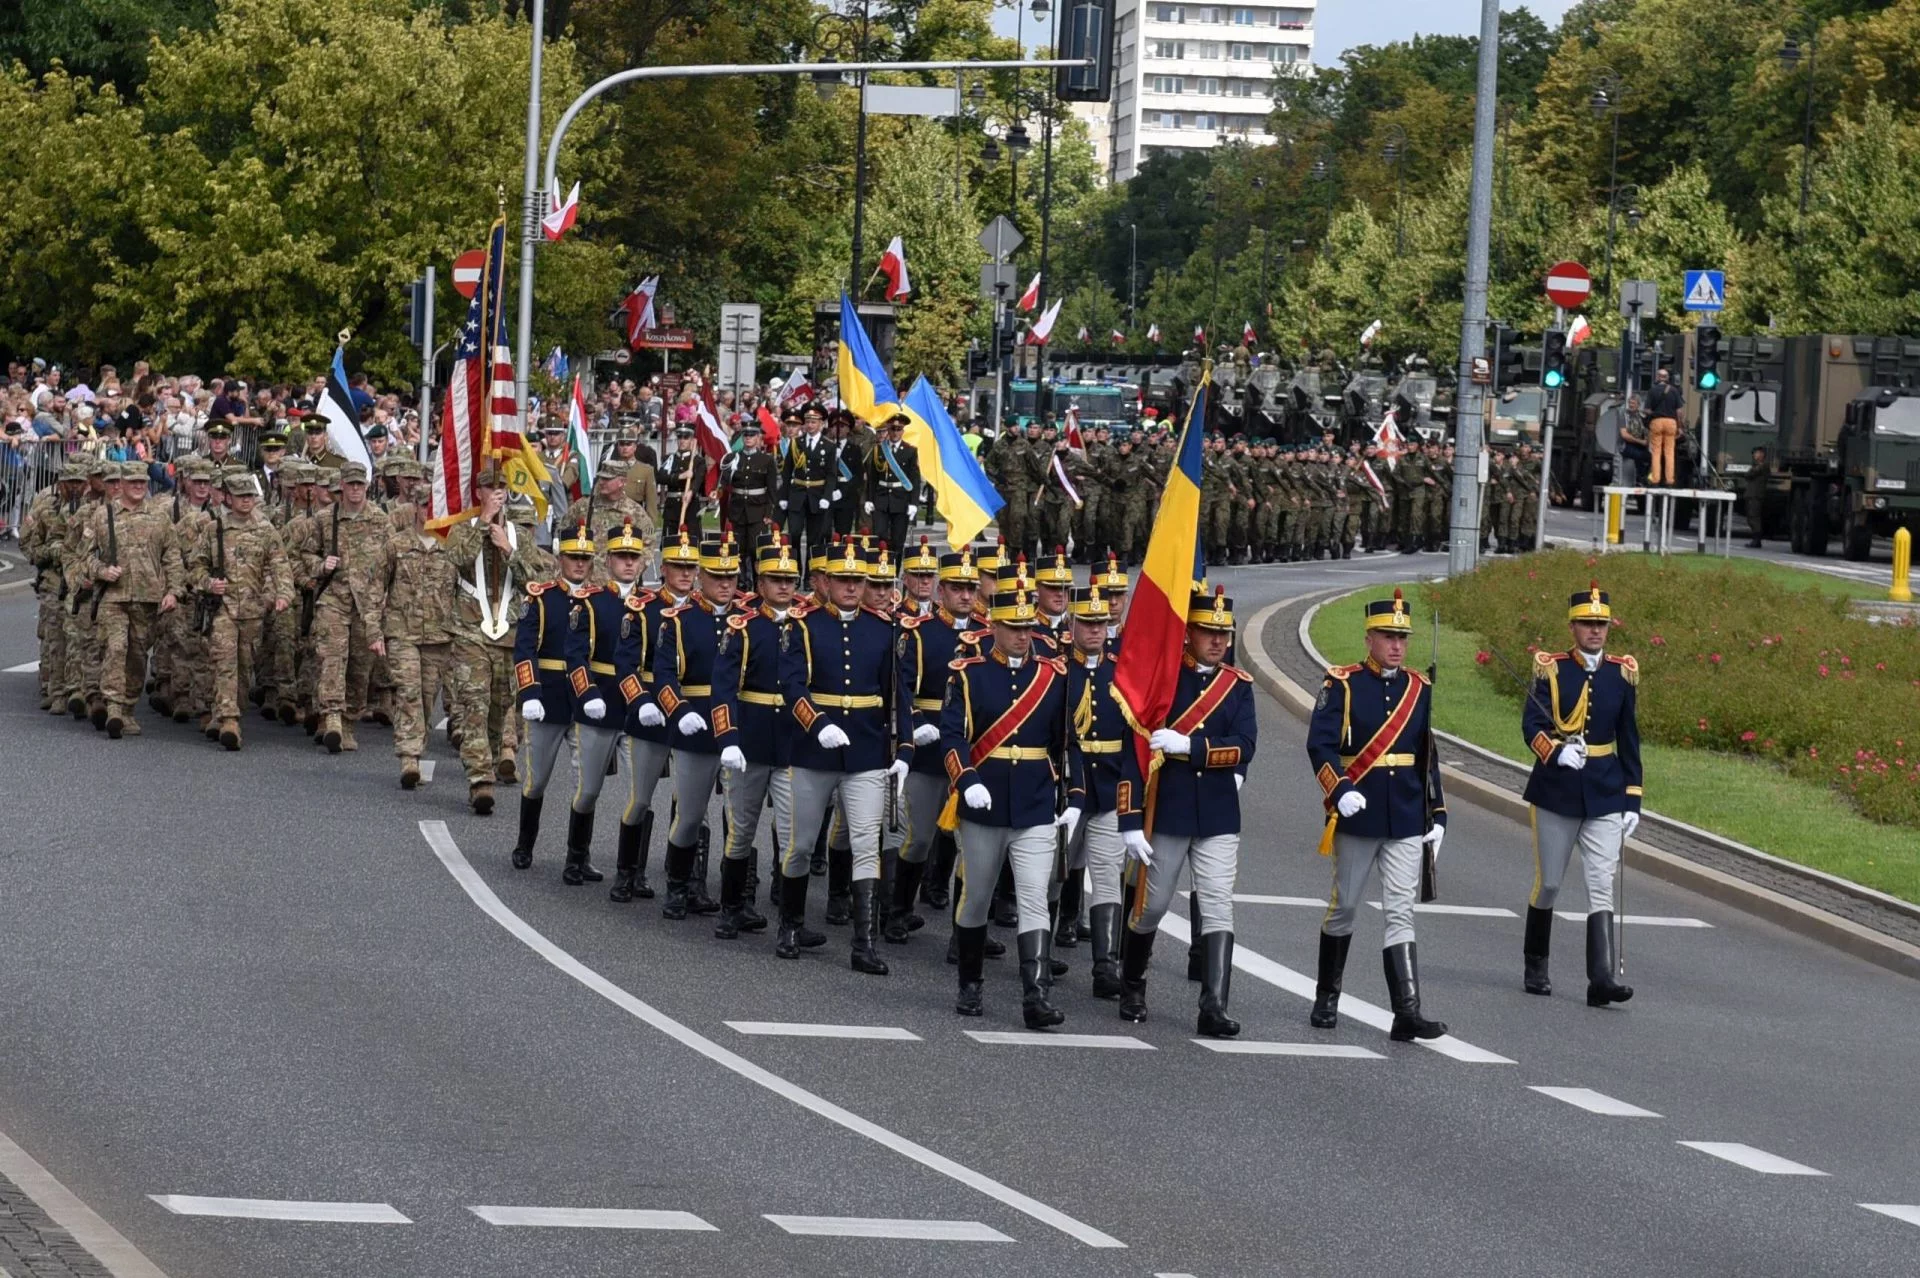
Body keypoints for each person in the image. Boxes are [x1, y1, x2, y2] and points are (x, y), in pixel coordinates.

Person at [1304, 589, 1448, 1041]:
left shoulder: (1419, 689)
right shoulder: (1341, 684)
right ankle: (1327, 996)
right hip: (1359, 812)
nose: (1397, 645)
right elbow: (1320, 744)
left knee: (1401, 911)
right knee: (1344, 906)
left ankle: (1407, 1012)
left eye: (1402, 637)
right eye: (1388, 636)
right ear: (1369, 638)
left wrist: (1437, 813)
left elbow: (1428, 755)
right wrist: (1339, 788)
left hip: (1404, 813)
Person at [1114, 587, 1255, 1037]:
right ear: (1187, 632)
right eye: (1207, 631)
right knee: (1151, 906)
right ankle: (1133, 984)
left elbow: (1244, 747)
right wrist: (1130, 819)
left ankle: (1213, 1006)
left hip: (1217, 814)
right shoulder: (1164, 681)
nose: (1217, 641)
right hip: (1167, 809)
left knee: (1217, 907)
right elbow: (1133, 753)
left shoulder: (1238, 688)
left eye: (1223, 633)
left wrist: (1191, 747)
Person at [940, 585, 1082, 1025]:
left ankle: (1035, 996)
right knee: (977, 898)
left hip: (1036, 803)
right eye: (1013, 627)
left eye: (1027, 627)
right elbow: (953, 736)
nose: (1023, 635)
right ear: (994, 627)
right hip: (985, 803)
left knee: (1035, 898)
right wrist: (965, 779)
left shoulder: (1055, 677)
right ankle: (970, 984)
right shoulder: (967, 675)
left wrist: (1075, 797)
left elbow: (1067, 743)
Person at [774, 540, 914, 974]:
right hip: (814, 749)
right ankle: (791, 925)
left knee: (865, 843)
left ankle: (864, 942)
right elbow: (791, 685)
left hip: (867, 749)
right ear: (827, 582)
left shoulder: (885, 628)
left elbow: (897, 694)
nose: (853, 587)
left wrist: (904, 747)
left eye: (859, 580)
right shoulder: (802, 625)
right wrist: (817, 723)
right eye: (844, 580)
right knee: (799, 845)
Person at [1520, 582, 1642, 1008]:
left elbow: (1629, 739)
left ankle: (1601, 979)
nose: (1595, 631)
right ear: (1572, 626)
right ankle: (1536, 962)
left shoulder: (1621, 673)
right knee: (1550, 883)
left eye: (1601, 625)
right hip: (1557, 792)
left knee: (1600, 884)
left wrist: (1633, 798)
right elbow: (1531, 727)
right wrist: (1555, 752)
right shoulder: (1550, 670)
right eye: (1587, 624)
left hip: (1606, 791)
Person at [885, 546, 983, 942]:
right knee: (921, 835)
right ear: (941, 591)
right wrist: (916, 725)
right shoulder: (920, 633)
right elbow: (902, 689)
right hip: (928, 750)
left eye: (970, 588)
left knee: (971, 844)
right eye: (956, 587)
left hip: (971, 751)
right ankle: (898, 910)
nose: (964, 595)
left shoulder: (987, 638)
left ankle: (965, 934)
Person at [713, 535, 804, 938]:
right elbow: (723, 688)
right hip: (749, 741)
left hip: (790, 745)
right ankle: (732, 908)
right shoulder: (743, 628)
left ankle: (790, 924)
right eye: (775, 579)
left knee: (792, 835)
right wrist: (728, 737)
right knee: (741, 831)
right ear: (760, 584)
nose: (784, 586)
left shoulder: (806, 627)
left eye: (790, 579)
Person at [652, 535, 741, 919]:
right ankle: (679, 885)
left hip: (740, 727)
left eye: (731, 577)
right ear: (702, 576)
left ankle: (739, 896)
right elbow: (664, 675)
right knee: (689, 814)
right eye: (717, 576)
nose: (725, 584)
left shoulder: (747, 622)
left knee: (740, 816)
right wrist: (679, 711)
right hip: (697, 724)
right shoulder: (679, 620)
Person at [566, 519, 652, 887]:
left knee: (641, 795)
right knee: (588, 790)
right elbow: (575, 654)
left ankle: (631, 871)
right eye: (621, 557)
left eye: (634, 557)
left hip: (639, 709)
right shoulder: (592, 602)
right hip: (600, 703)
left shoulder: (655, 606)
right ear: (609, 559)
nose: (628, 564)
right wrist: (587, 694)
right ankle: (576, 856)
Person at [507, 523, 596, 870]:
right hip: (548, 698)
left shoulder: (598, 601)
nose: (579, 564)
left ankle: (578, 858)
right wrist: (530, 692)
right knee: (537, 779)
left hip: (586, 702)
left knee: (586, 785)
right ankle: (525, 843)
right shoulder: (541, 598)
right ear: (560, 558)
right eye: (573, 557)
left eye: (585, 558)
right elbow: (525, 650)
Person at [84, 460, 186, 738]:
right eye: (134, 483)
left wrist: (173, 591)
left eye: (143, 482)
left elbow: (173, 558)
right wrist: (101, 571)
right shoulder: (103, 516)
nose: (140, 487)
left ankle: (128, 706)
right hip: (113, 597)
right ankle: (114, 707)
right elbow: (85, 555)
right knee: (116, 648)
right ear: (122, 485)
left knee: (138, 655)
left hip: (148, 598)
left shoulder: (159, 518)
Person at [194, 472, 293, 751]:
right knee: (225, 661)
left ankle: (224, 710)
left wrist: (283, 594)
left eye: (250, 496)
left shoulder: (265, 531)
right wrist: (208, 583)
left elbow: (280, 566)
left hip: (253, 609)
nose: (246, 501)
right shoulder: (215, 529)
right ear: (228, 498)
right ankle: (229, 720)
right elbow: (196, 566)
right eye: (241, 496)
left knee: (243, 665)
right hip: (222, 608)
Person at [298, 460, 389, 756]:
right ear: (341, 487)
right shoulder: (326, 520)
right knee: (332, 659)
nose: (354, 490)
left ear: (366, 486)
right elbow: (305, 554)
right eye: (349, 485)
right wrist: (320, 565)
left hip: (367, 606)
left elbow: (392, 561)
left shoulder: (380, 519)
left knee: (361, 667)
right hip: (333, 600)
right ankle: (332, 716)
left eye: (359, 485)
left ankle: (348, 720)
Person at [1064, 584, 1129, 999]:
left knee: (1107, 874)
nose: (1095, 631)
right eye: (1087, 623)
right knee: (1056, 872)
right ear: (1071, 625)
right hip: (1067, 785)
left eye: (1101, 623)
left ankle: (1106, 964)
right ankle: (1053, 934)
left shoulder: (1121, 671)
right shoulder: (1055, 671)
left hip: (1107, 785)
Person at [379, 486, 456, 785]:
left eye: (436, 507)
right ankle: (409, 758)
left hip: (440, 635)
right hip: (402, 633)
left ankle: (417, 745)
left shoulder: (451, 546)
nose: (429, 512)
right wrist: (374, 630)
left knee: (426, 696)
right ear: (415, 508)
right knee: (408, 691)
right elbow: (375, 587)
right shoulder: (396, 545)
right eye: (425, 506)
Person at [781, 404, 834, 570]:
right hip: (797, 494)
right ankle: (796, 570)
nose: (810, 425)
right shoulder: (796, 443)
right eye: (808, 421)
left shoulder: (829, 446)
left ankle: (810, 574)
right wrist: (783, 496)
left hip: (817, 495)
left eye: (814, 422)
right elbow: (787, 472)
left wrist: (826, 496)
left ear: (821, 424)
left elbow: (831, 475)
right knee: (794, 533)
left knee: (814, 538)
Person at [865, 412, 920, 556]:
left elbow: (914, 478)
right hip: (881, 498)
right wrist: (869, 499)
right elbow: (873, 478)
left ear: (903, 431)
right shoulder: (879, 449)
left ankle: (894, 573)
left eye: (898, 429)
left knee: (897, 540)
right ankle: (881, 571)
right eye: (892, 429)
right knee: (880, 537)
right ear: (888, 430)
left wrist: (914, 502)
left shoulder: (910, 451)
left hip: (901, 499)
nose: (895, 433)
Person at [1645, 369, 1683, 487]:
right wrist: (1680, 426)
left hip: (1657, 422)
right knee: (1669, 452)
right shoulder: (1674, 391)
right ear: (1666, 378)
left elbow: (1647, 410)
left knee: (1656, 452)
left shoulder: (1652, 391)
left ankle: (1655, 479)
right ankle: (1669, 480)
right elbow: (1679, 411)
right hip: (1671, 422)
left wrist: (1651, 413)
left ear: (1657, 377)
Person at [1743, 446, 1769, 548]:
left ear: (1762, 455)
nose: (1755, 455)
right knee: (1750, 517)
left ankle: (1757, 539)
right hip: (1751, 495)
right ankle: (1755, 538)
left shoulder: (1763, 466)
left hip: (1756, 495)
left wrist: (1753, 468)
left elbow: (1750, 474)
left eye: (1757, 453)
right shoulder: (1756, 465)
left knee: (1754, 517)